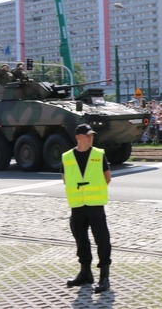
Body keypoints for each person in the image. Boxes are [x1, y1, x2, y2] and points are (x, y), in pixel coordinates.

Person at [61, 123, 112, 293]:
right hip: (77, 206)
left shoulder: (99, 155)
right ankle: (85, 273)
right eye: (87, 135)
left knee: (102, 240)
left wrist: (91, 191)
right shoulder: (67, 157)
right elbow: (65, 178)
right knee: (81, 241)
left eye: (91, 135)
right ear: (78, 137)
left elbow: (107, 178)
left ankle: (104, 277)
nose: (91, 138)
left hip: (95, 205)